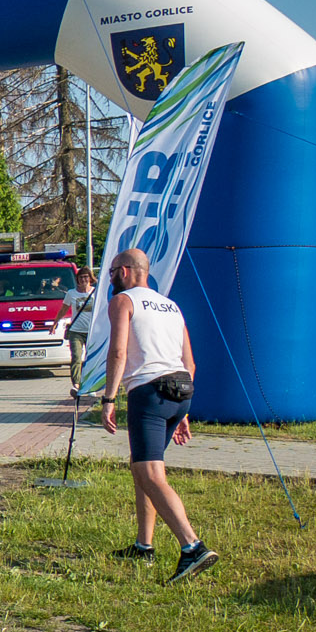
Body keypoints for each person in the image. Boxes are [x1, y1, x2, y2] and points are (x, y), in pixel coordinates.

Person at [98, 249, 218, 584]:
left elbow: (118, 351)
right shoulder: (171, 305)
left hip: (148, 392)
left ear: (124, 271)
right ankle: (144, 545)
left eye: (110, 273)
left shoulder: (123, 302)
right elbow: (189, 362)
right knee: (145, 467)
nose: (109, 279)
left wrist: (108, 398)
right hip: (180, 389)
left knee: (149, 474)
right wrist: (183, 412)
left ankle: (191, 546)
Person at [67, 265, 98, 386]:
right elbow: (64, 309)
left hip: (92, 331)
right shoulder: (71, 293)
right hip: (76, 331)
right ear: (77, 279)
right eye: (81, 277)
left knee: (91, 359)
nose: (83, 280)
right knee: (76, 357)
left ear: (90, 278)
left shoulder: (96, 292)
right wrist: (54, 323)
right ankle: (76, 384)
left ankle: (91, 384)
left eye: (86, 277)